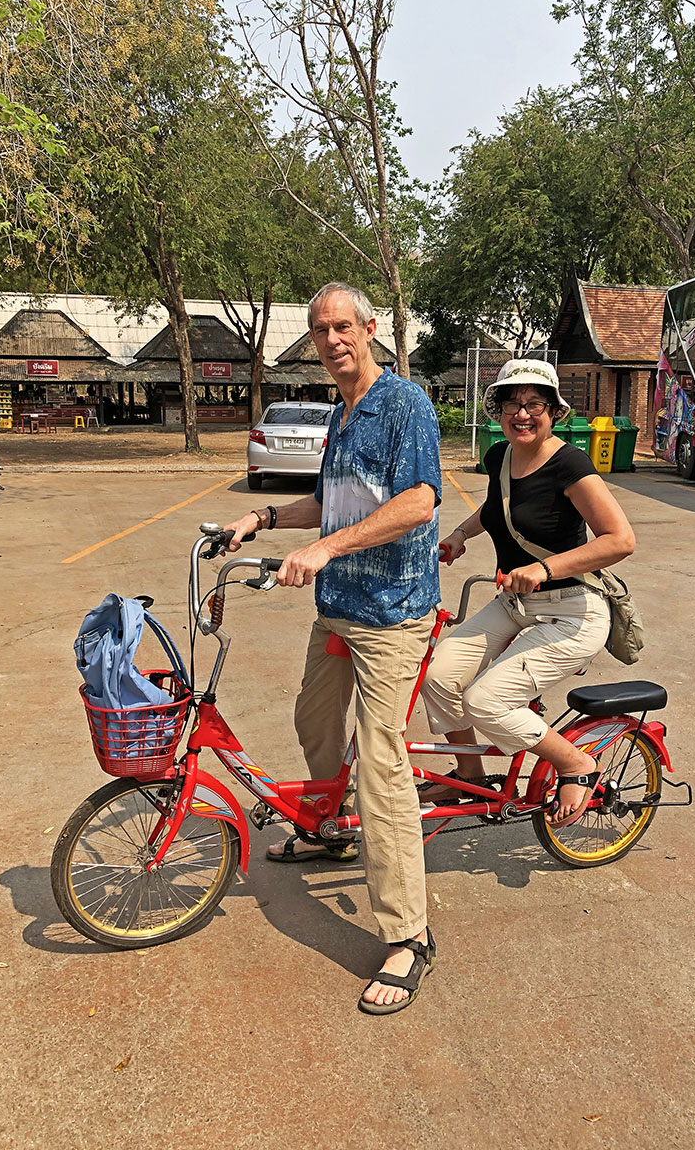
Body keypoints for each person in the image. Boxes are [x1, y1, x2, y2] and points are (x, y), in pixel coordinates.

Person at [222, 282, 441, 1015]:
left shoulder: (403, 403)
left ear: (370, 329)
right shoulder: (340, 415)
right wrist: (261, 518)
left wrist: (326, 549)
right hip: (339, 609)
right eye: (321, 330)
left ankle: (409, 935)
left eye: (343, 326)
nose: (333, 339)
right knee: (313, 721)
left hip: (392, 615)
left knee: (381, 763)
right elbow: (329, 502)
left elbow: (418, 502)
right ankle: (329, 829)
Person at [420, 358, 635, 824]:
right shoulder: (500, 456)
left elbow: (620, 540)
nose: (522, 414)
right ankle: (471, 776)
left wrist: (544, 568)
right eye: (511, 404)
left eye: (535, 404)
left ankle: (576, 764)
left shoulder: (570, 464)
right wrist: (459, 534)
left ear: (553, 411)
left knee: (486, 700)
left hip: (572, 612)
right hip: (516, 603)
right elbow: (496, 507)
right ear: (497, 410)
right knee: (438, 675)